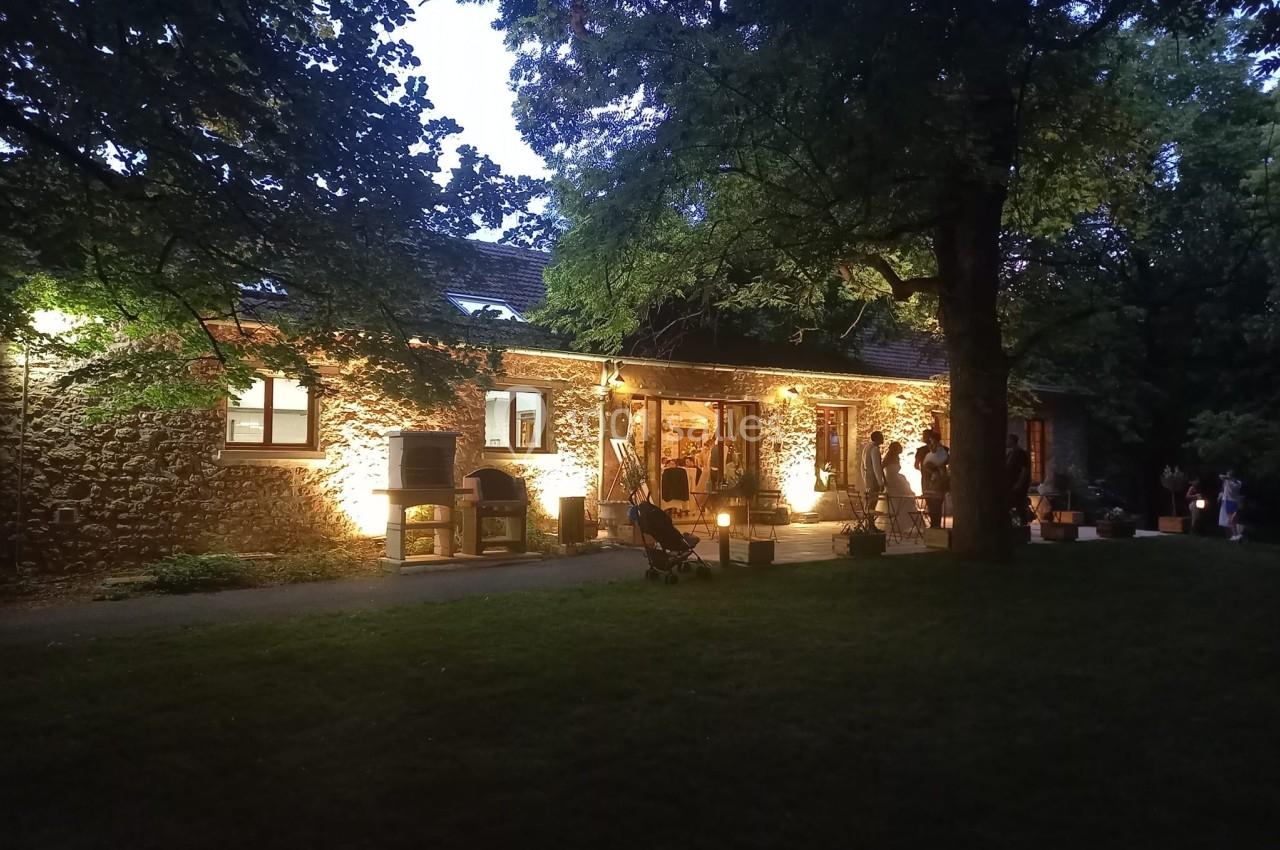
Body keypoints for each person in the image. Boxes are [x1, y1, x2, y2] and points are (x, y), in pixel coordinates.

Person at [882, 441, 916, 530]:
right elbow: (882, 469)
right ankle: (900, 524)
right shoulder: (890, 458)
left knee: (904, 498)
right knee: (903, 498)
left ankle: (902, 524)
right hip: (893, 481)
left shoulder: (893, 457)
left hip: (894, 479)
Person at [921, 431, 950, 528]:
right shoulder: (929, 452)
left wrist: (936, 471)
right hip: (928, 480)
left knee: (937, 504)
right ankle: (933, 524)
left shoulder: (943, 451)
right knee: (930, 504)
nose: (931, 443)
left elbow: (943, 463)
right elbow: (925, 465)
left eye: (933, 441)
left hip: (938, 481)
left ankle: (936, 524)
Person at [1005, 433, 1032, 523]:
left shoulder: (1021, 453)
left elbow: (1024, 470)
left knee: (1019, 504)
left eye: (1008, 440)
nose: (1006, 442)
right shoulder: (1010, 453)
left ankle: (1023, 523)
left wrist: (1019, 483)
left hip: (1018, 484)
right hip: (1010, 483)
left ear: (1012, 441)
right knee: (1009, 504)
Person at [861, 430, 886, 514]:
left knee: (869, 501)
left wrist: (864, 477)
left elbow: (862, 465)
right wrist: (880, 482)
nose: (883, 439)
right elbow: (876, 467)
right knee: (872, 502)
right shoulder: (874, 449)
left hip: (868, 478)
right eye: (881, 437)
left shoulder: (866, 448)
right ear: (877, 438)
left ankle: (868, 522)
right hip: (873, 480)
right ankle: (870, 523)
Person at [1219, 470, 1243, 541]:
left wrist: (1229, 478)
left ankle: (1235, 535)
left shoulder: (1238, 482)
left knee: (1232, 519)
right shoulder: (1227, 480)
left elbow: (1236, 485)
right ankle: (1234, 535)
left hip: (1232, 501)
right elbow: (1220, 476)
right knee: (1230, 519)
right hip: (1228, 501)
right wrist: (1228, 477)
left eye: (1229, 474)